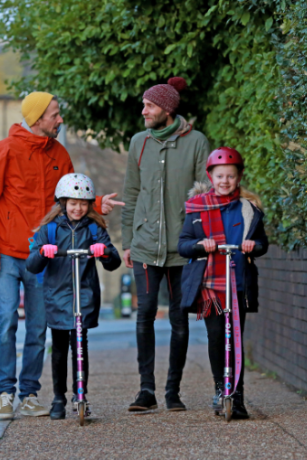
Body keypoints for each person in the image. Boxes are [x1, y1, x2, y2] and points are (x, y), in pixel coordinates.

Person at [0, 92, 124, 420]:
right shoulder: (5, 150)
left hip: (46, 255)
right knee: (7, 320)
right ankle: (4, 393)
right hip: (9, 254)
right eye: (55, 114)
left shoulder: (59, 153)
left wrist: (96, 205)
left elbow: (68, 198)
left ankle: (29, 394)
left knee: (38, 327)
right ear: (38, 117)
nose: (60, 120)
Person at [121, 77, 210, 412]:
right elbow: (131, 194)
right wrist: (127, 240)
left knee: (178, 317)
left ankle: (173, 391)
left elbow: (205, 195)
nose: (144, 111)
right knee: (144, 313)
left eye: (150, 106)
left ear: (167, 110)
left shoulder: (197, 142)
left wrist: (200, 239)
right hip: (144, 245)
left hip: (181, 248)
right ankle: (146, 391)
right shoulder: (138, 143)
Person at [177, 147, 269, 419]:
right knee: (218, 337)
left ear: (239, 177)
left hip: (238, 283)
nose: (225, 181)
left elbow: (263, 243)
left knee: (236, 339)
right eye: (219, 176)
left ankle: (237, 397)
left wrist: (254, 246)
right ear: (210, 176)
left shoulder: (249, 209)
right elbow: (183, 245)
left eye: (230, 176)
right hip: (212, 286)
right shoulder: (196, 209)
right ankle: (221, 389)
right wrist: (199, 245)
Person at [26, 173, 121, 420]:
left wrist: (104, 253)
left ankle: (81, 394)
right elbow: (32, 265)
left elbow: (113, 261)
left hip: (84, 292)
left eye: (83, 203)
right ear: (63, 203)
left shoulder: (93, 228)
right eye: (72, 203)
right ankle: (58, 397)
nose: (77, 208)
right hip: (57, 294)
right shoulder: (49, 229)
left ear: (89, 205)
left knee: (80, 343)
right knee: (58, 346)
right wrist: (43, 253)